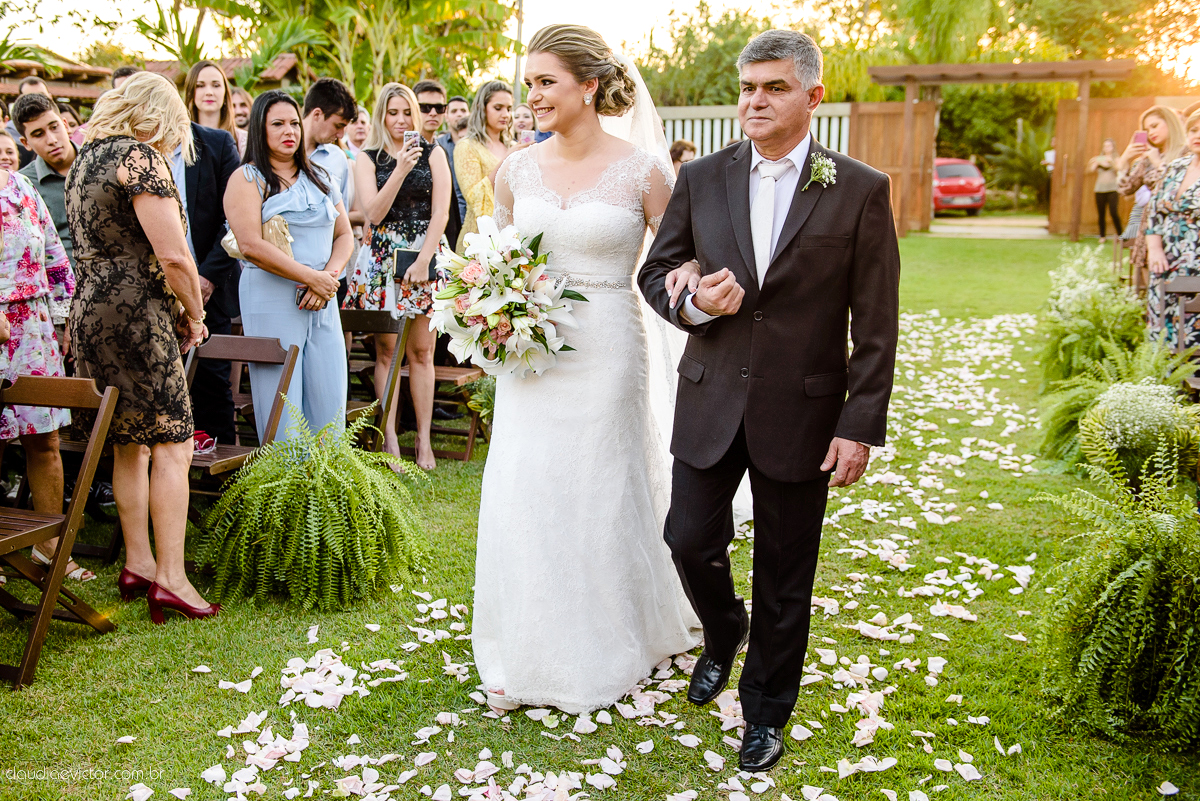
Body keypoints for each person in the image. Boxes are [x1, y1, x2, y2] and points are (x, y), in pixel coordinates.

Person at [640, 30, 900, 772]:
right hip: (711, 397)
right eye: (749, 86)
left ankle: (766, 709)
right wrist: (693, 304)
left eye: (773, 88)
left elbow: (876, 321)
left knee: (788, 571)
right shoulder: (703, 178)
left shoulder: (859, 188)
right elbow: (657, 273)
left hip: (805, 410)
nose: (755, 100)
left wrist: (859, 425)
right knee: (688, 537)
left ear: (812, 96)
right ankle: (723, 631)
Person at [474, 23, 701, 720]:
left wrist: (700, 291)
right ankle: (522, 646)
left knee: (598, 485)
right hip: (530, 359)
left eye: (546, 82)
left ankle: (604, 645)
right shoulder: (514, 170)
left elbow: (673, 263)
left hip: (607, 345)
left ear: (589, 86)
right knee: (526, 482)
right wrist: (491, 308)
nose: (531, 96)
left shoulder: (643, 170)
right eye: (528, 82)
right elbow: (499, 257)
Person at [64, 72, 218, 622]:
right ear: (158, 116)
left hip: (92, 309)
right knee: (173, 441)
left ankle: (139, 564)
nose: (176, 142)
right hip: (135, 316)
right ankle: (172, 580)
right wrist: (194, 313)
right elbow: (174, 257)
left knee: (130, 442)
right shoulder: (139, 159)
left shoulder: (85, 161)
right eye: (176, 128)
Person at [223, 90, 353, 442]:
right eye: (277, 124)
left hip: (321, 298)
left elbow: (345, 236)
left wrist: (326, 278)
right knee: (283, 405)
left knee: (330, 397)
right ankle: (289, 490)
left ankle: (328, 489)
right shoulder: (247, 179)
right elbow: (250, 245)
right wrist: (310, 277)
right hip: (272, 297)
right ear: (259, 129)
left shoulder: (322, 177)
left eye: (294, 123)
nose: (289, 131)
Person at [342, 83, 451, 470]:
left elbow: (442, 212)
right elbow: (372, 212)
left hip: (424, 254)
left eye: (407, 112)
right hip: (383, 257)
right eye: (393, 113)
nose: (401, 120)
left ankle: (424, 440)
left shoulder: (435, 152)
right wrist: (401, 167)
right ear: (382, 116)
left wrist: (424, 261)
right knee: (386, 352)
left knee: (422, 351)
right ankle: (389, 438)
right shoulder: (366, 157)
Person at [0, 156, 88, 582]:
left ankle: (48, 547)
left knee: (45, 437)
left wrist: (61, 320)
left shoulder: (21, 186)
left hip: (33, 330)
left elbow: (54, 254)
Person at [175, 110, 241, 448]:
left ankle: (227, 486)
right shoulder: (137, 151)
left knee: (214, 381)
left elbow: (234, 217)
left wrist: (208, 278)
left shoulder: (215, 143)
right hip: (159, 288)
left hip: (210, 285)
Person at [1119, 105, 1187, 300]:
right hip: (1149, 230)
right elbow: (1125, 189)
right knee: (1153, 296)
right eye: (1147, 129)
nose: (1151, 133)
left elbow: (1178, 190)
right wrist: (1124, 160)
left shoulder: (1187, 153)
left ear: (1170, 123)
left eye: (1155, 126)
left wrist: (1159, 163)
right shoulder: (1148, 157)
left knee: (1179, 296)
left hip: (1177, 231)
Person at [1146, 110, 1200, 350]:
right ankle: (1160, 383)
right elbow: (1154, 210)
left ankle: (1190, 384)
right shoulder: (1176, 166)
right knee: (1160, 322)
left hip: (1196, 260)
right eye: (1194, 130)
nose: (1197, 135)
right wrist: (1154, 249)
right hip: (1165, 260)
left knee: (1192, 325)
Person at [14, 93, 79, 268]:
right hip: (65, 287)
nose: (52, 140)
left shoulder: (101, 164)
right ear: (25, 143)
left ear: (65, 125)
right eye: (38, 134)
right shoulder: (22, 186)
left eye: (54, 127)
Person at [454, 80, 518, 250]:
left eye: (509, 108)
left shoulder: (513, 146)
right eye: (498, 108)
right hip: (477, 240)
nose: (505, 114)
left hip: (512, 239)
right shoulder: (466, 146)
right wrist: (507, 159)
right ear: (482, 109)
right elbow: (475, 197)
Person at [414, 79, 462, 247]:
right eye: (425, 108)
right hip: (410, 242)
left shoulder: (439, 147)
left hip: (443, 244)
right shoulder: (405, 149)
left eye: (439, 108)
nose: (433, 113)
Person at [183, 60, 248, 156]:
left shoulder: (244, 141)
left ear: (225, 93)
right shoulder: (179, 140)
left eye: (216, 85)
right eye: (200, 86)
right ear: (190, 92)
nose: (209, 92)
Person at [437, 96, 470, 230]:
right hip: (448, 219)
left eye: (463, 110)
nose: (459, 114)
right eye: (454, 111)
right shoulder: (438, 145)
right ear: (446, 116)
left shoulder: (479, 144)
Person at [1088, 138, 1122, 244]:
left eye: (1109, 146)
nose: (1106, 148)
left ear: (1113, 147)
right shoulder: (1099, 158)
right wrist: (1095, 163)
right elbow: (1090, 170)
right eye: (1105, 146)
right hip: (1100, 189)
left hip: (1112, 189)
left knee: (1113, 212)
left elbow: (1119, 169)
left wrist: (1111, 162)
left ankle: (1121, 235)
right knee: (1101, 213)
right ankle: (1102, 236)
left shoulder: (1116, 158)